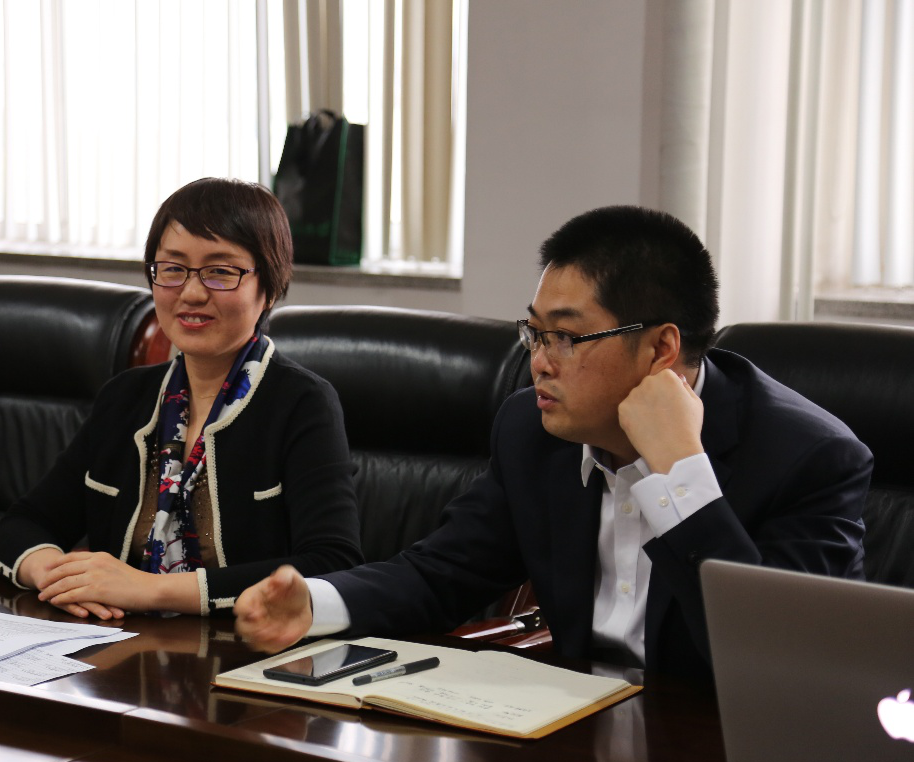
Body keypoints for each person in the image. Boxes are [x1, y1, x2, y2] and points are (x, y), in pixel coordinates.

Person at [235, 205, 871, 678]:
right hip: (572, 738)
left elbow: (776, 662)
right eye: (534, 333)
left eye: (566, 337)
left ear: (661, 349)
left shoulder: (807, 458)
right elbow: (442, 573)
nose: (539, 362)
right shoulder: (532, 431)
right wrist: (315, 603)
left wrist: (681, 472)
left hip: (721, 754)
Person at [0, 177, 362, 619]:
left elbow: (331, 564)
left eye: (221, 271)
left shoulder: (302, 403)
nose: (191, 293)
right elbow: (24, 524)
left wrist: (151, 590)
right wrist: (60, 577)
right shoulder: (125, 398)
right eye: (172, 269)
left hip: (243, 647)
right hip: (118, 642)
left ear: (268, 287)